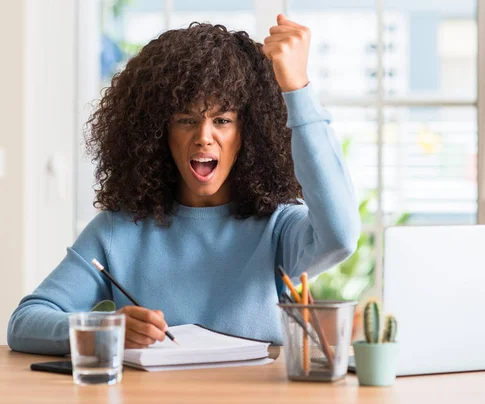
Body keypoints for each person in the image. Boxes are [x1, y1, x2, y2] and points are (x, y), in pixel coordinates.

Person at [7, 15, 360, 355]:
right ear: (158, 132)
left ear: (248, 134)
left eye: (222, 120)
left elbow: (340, 236)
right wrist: (106, 331)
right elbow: (25, 323)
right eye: (185, 120)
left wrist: (297, 89)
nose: (204, 137)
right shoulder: (118, 230)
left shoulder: (279, 227)